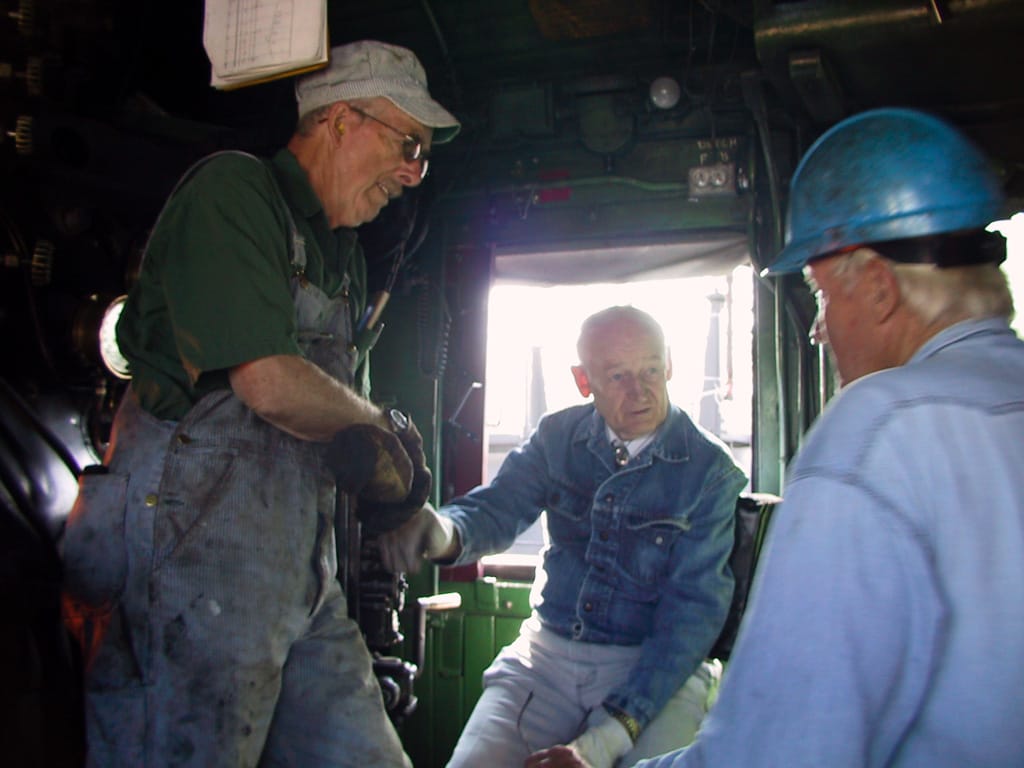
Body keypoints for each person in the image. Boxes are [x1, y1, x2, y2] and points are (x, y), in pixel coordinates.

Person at [526, 108, 1024, 768]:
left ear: (877, 287)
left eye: (819, 296)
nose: (818, 330)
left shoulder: (877, 429)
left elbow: (776, 753)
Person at [58, 40, 459, 767]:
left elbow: (343, 416)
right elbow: (270, 384)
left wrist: (401, 504)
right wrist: (386, 442)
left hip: (300, 575)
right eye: (408, 144)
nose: (412, 172)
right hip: (192, 564)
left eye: (422, 157)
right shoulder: (235, 193)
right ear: (339, 119)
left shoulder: (341, 254)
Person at [379, 305, 748, 768]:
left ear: (669, 364)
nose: (640, 391)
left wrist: (601, 743)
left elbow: (690, 617)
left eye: (652, 370)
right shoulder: (557, 438)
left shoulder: (711, 472)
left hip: (655, 666)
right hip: (546, 658)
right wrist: (445, 530)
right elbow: (497, 506)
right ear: (583, 380)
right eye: (617, 376)